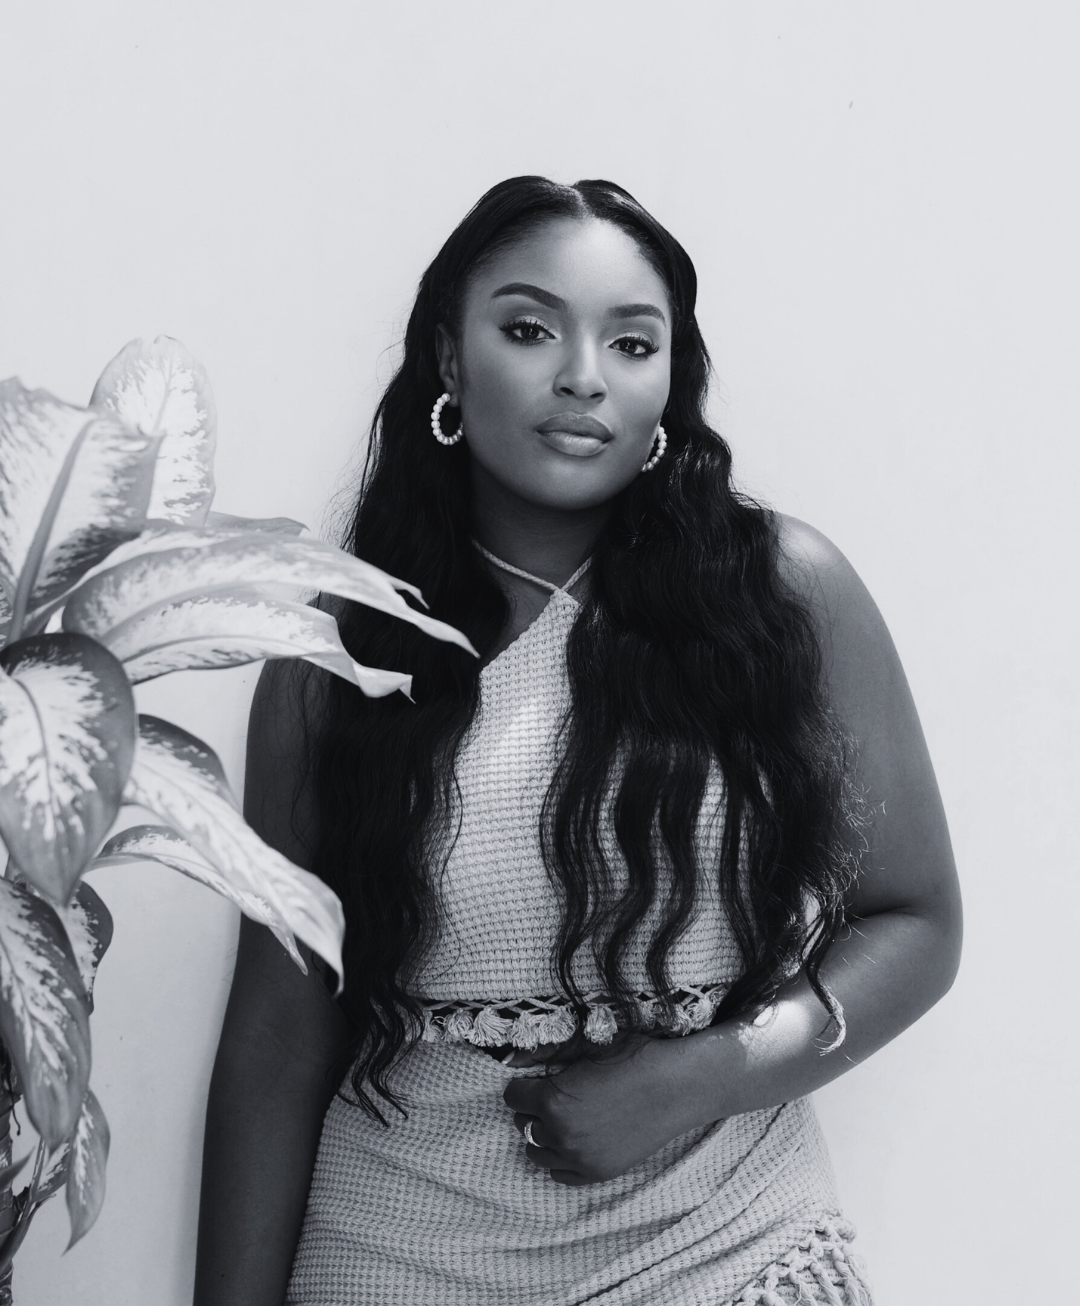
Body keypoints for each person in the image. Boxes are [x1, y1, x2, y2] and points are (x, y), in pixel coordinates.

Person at [194, 177, 961, 1306]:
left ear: (669, 381)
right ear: (450, 363)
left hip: (725, 1246)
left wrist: (704, 1077)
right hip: (401, 1255)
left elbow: (916, 921)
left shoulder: (781, 596)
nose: (583, 377)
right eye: (528, 329)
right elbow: (278, 1034)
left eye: (632, 342)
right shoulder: (336, 655)